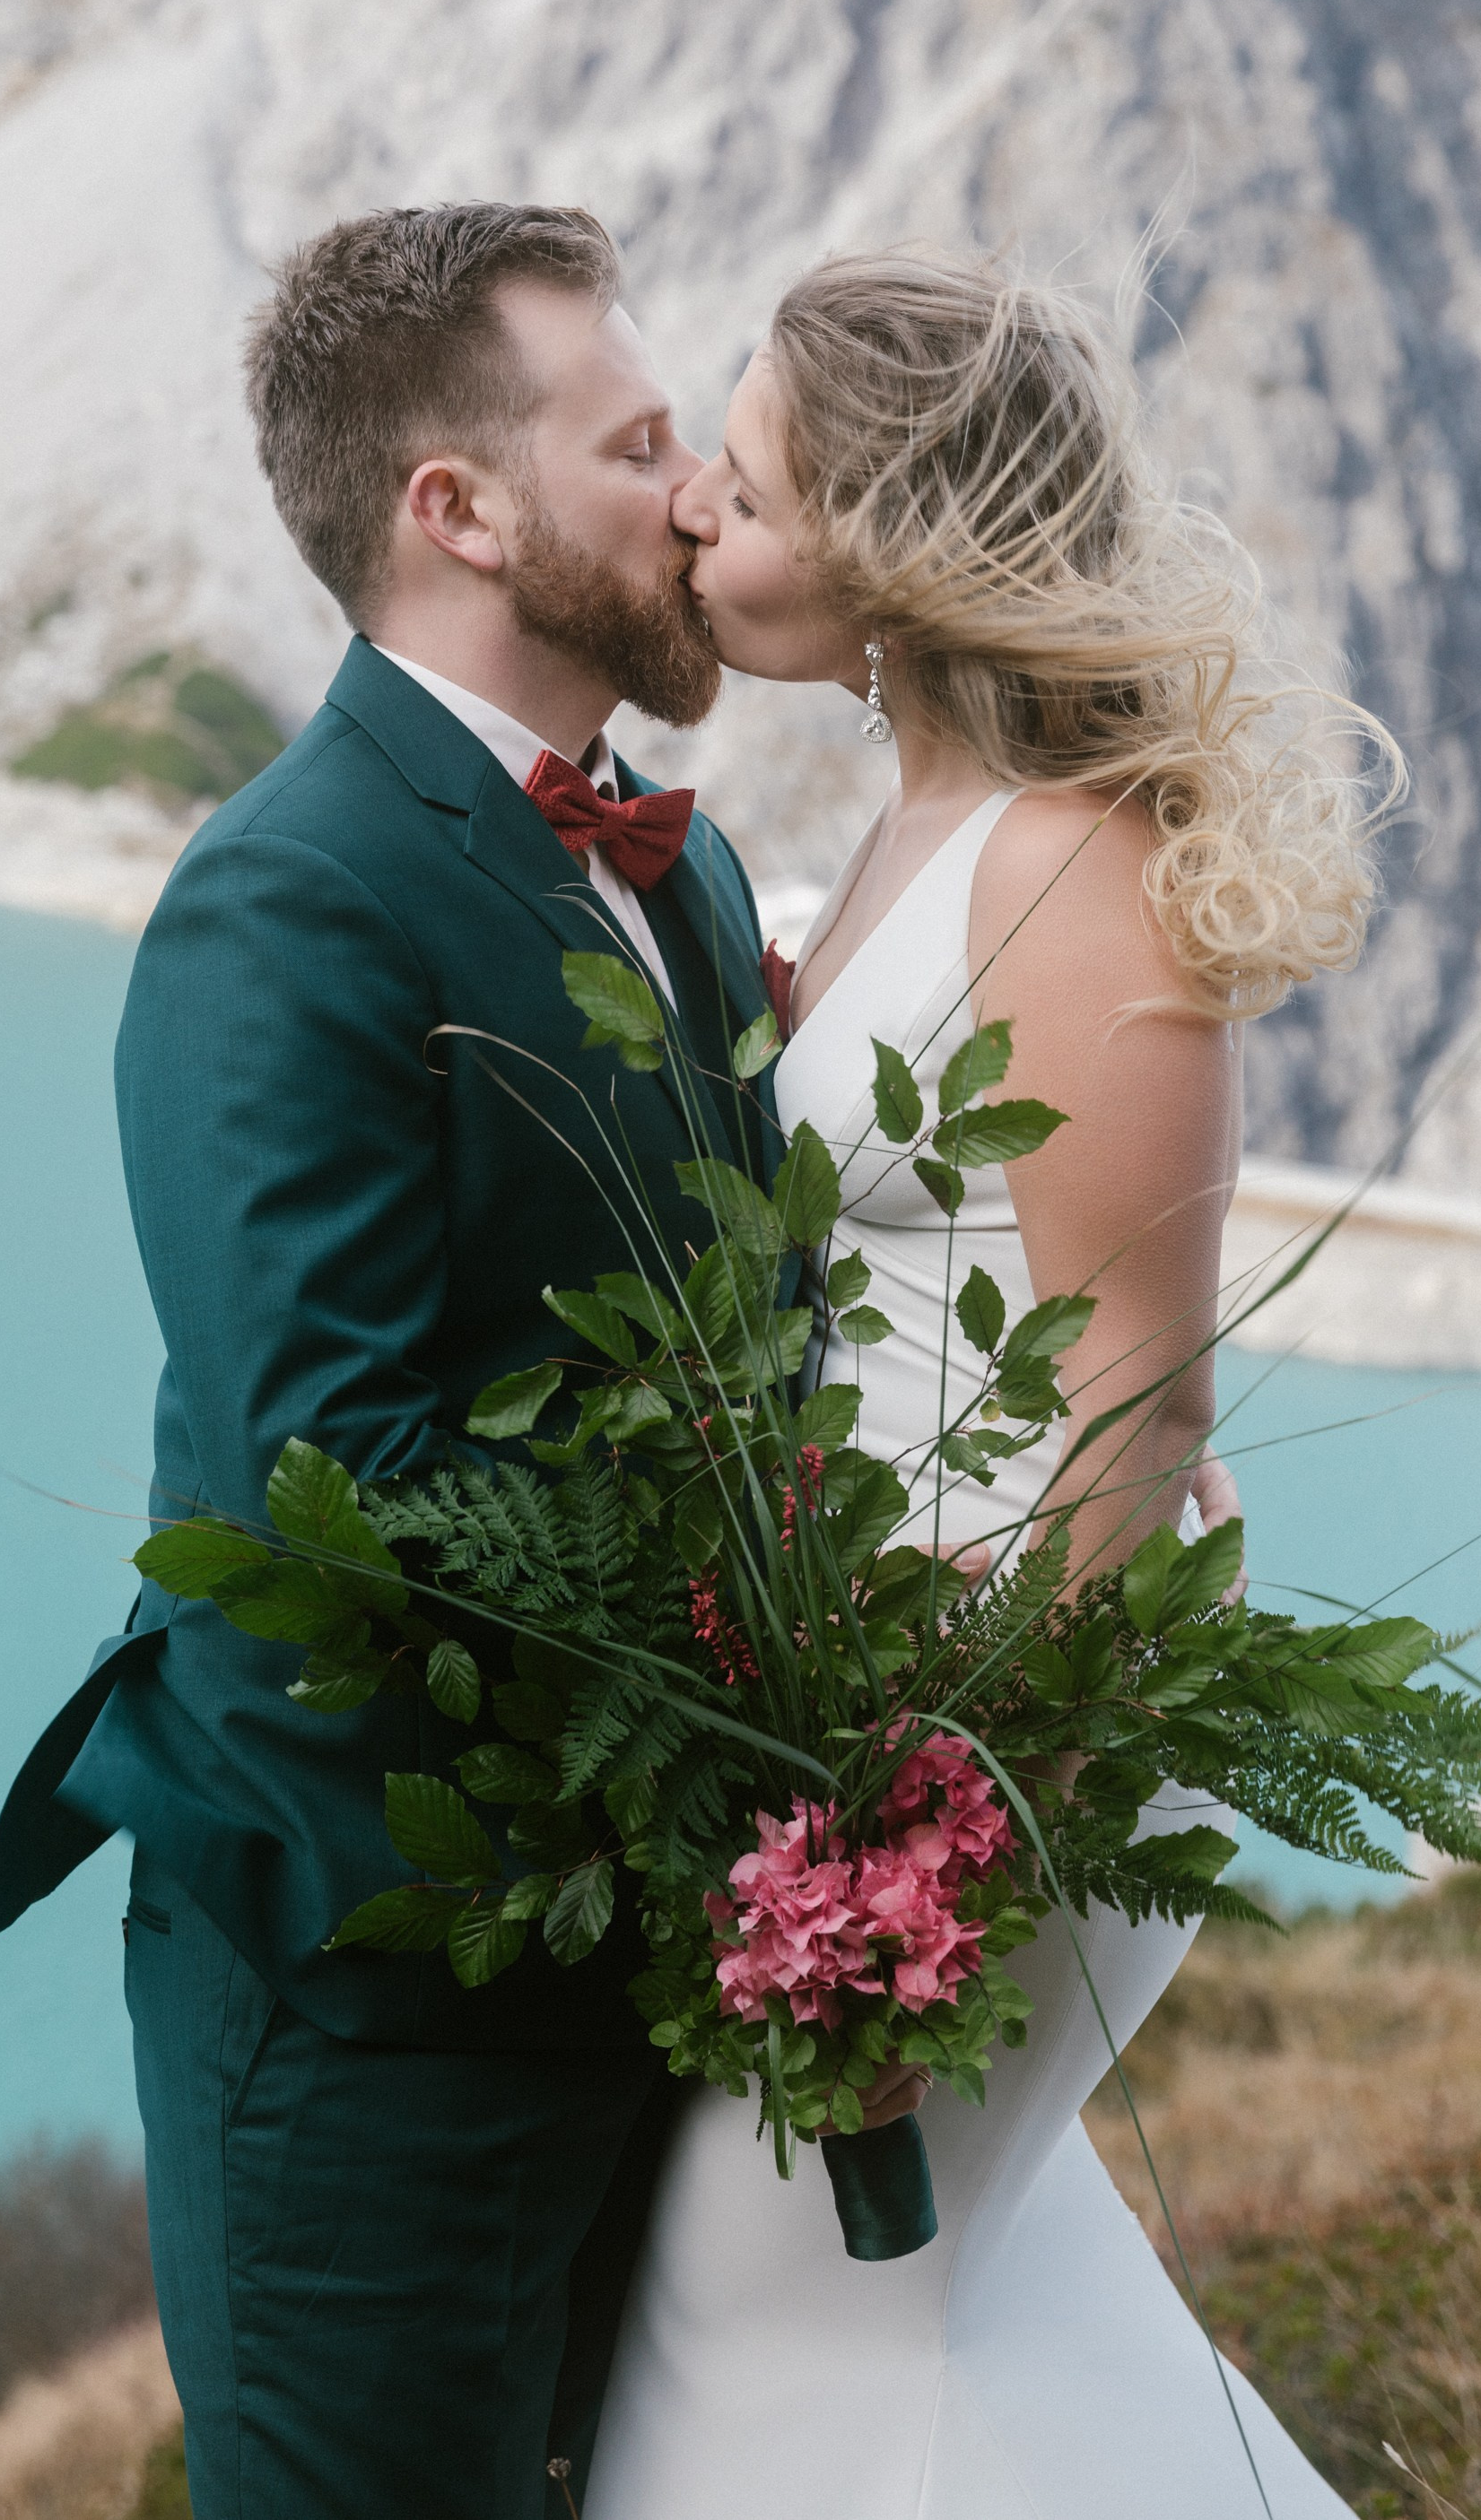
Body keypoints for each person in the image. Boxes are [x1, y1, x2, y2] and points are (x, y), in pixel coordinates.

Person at [0, 202, 775, 2520]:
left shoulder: (691, 881)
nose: (700, 491)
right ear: (459, 507)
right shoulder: (287, 895)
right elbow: (343, 1484)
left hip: (643, 1960)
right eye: (639, 442)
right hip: (365, 1988)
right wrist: (740, 1691)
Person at [583, 251, 1396, 2520]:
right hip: (880, 1694)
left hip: (1014, 1722)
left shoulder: (1074, 869)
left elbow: (1135, 1407)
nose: (686, 529)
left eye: (734, 492)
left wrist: (930, 1807)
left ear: (889, 536)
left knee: (792, 2307)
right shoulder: (921, 823)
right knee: (911, 2295)